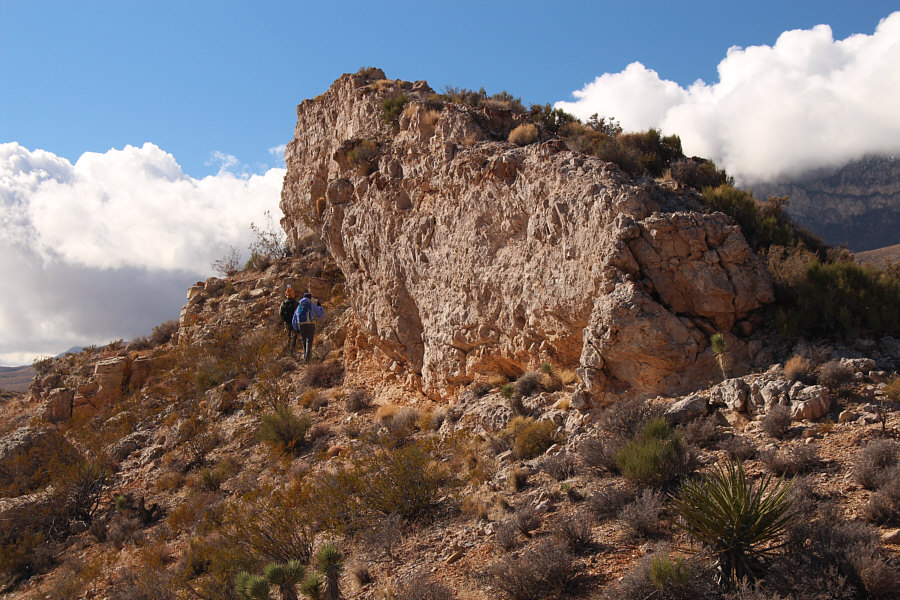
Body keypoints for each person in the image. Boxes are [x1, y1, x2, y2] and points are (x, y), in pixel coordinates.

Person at [292, 291, 325, 362]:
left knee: (304, 340)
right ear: (310, 298)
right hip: (310, 324)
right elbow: (321, 314)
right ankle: (307, 359)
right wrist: (319, 306)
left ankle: (305, 357)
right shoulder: (311, 304)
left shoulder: (299, 306)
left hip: (301, 325)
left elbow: (294, 319)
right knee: (309, 341)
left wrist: (296, 328)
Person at [279, 285, 299, 352]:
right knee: (294, 336)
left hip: (286, 322)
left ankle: (287, 349)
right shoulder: (296, 303)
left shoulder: (283, 303)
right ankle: (292, 350)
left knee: (288, 336)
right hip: (294, 322)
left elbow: (280, 313)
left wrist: (284, 320)